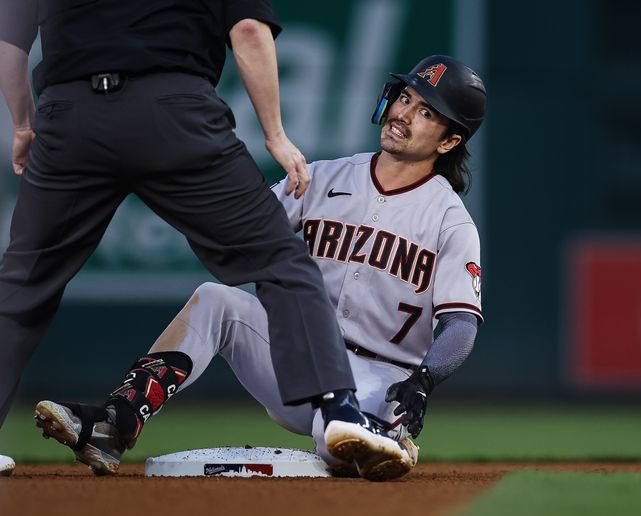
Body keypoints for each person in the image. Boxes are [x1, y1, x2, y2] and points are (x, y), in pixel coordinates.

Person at [35, 55, 487, 481]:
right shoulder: (324, 177)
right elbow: (239, 229)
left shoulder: (450, 220)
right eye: (405, 98)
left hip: (383, 378)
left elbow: (461, 326)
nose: (404, 114)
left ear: (450, 141)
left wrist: (424, 380)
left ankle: (387, 434)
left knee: (339, 446)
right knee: (217, 300)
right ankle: (117, 422)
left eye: (427, 112)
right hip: (304, 361)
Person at [0, 0, 399, 476]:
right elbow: (250, 31)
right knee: (283, 264)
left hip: (70, 118)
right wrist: (274, 134)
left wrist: (23, 124)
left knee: (18, 289)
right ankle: (339, 411)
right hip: (174, 115)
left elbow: (9, 41)